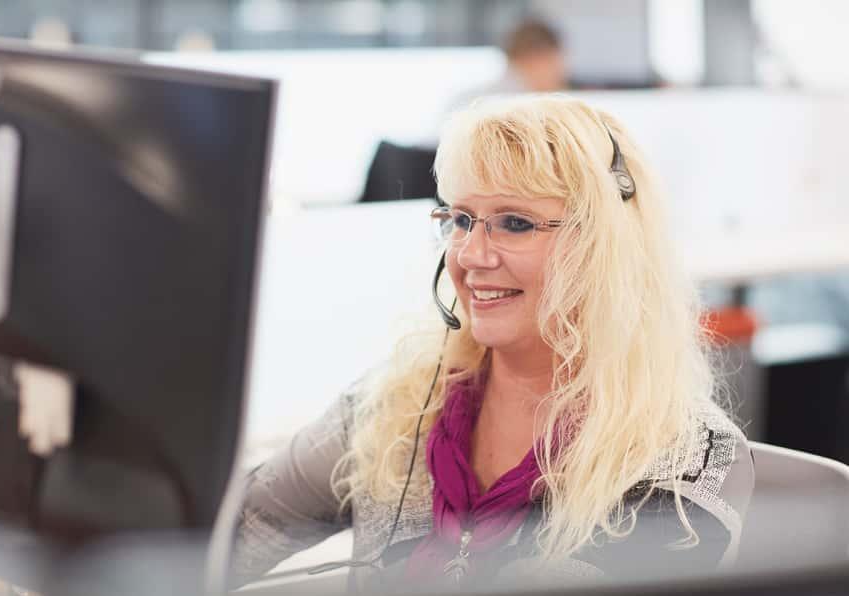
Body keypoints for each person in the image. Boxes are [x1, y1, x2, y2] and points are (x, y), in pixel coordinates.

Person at [231, 95, 755, 593]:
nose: (471, 255)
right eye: (461, 220)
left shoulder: (683, 460)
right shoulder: (399, 405)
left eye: (514, 223)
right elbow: (230, 529)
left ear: (603, 248)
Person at [447, 19, 568, 114]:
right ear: (537, 59)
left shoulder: (464, 100)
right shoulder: (524, 109)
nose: (562, 74)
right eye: (557, 64)